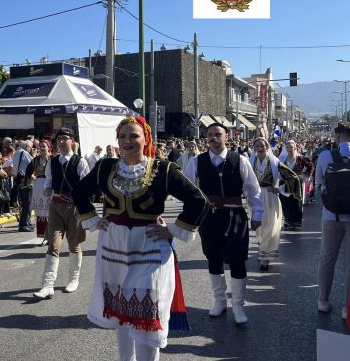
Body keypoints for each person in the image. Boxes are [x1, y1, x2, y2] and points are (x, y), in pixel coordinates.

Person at [73, 116, 208, 360]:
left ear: (146, 139)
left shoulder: (163, 170)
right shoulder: (106, 167)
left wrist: (174, 230)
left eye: (133, 135)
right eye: (122, 136)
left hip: (150, 245)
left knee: (147, 313)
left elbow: (199, 201)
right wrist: (93, 220)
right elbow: (79, 192)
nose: (127, 141)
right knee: (122, 311)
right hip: (114, 246)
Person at [184, 123, 263, 325]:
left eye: (218, 134)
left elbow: (253, 190)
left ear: (226, 137)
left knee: (237, 260)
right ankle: (219, 301)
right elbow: (188, 191)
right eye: (209, 135)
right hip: (209, 218)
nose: (213, 138)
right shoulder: (196, 162)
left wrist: (257, 214)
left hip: (235, 216)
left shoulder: (240, 160)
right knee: (213, 258)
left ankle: (238, 305)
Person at [33, 127, 89, 299]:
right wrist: (48, 189)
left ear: (72, 141)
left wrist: (77, 195)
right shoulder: (52, 162)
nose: (62, 142)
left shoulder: (80, 162)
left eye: (65, 138)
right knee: (53, 244)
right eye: (59, 139)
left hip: (74, 209)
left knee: (74, 244)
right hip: (55, 208)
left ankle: (73, 279)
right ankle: (48, 285)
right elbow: (48, 181)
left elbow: (86, 184)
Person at [315, 122, 350, 320]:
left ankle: (323, 301)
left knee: (327, 259)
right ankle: (348, 309)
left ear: (337, 137)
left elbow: (320, 182)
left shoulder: (324, 156)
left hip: (331, 215)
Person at [250, 137, 301, 270]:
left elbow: (292, 177)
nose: (260, 148)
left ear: (267, 147)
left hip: (270, 197)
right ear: (254, 147)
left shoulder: (274, 162)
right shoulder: (251, 161)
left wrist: (280, 189)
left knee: (270, 227)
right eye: (257, 146)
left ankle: (265, 257)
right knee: (260, 228)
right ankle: (263, 249)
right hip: (256, 197)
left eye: (262, 145)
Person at [25, 139, 52, 240]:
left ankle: (51, 235)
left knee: (50, 212)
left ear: (49, 148)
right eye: (40, 146)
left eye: (44, 146)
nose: (42, 148)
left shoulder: (53, 159)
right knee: (41, 212)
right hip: (38, 186)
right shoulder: (35, 160)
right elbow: (28, 171)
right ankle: (44, 236)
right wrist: (31, 177)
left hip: (49, 185)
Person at [12, 140, 34, 232]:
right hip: (26, 181)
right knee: (27, 203)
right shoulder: (24, 153)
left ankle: (27, 222)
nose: (31, 149)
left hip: (19, 179)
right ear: (28, 147)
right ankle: (24, 224)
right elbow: (32, 165)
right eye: (31, 147)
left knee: (26, 203)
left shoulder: (17, 152)